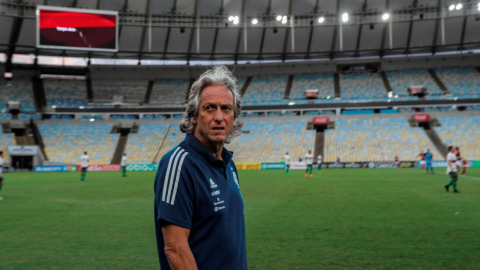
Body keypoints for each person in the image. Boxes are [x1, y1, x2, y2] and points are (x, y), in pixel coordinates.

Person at [153, 66, 247, 270]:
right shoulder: (178, 164)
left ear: (234, 116)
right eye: (209, 108)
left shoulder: (228, 163)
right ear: (194, 115)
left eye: (226, 109)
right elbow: (175, 249)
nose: (219, 117)